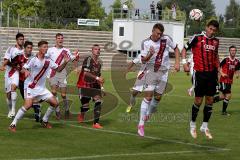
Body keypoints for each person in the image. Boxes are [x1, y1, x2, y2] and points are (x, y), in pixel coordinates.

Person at [8, 40, 70, 132]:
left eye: (47, 47)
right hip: (30, 86)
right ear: (39, 48)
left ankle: (44, 121)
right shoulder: (33, 59)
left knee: (55, 103)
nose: (46, 48)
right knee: (28, 105)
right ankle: (13, 124)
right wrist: (26, 71)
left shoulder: (48, 60)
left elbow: (59, 69)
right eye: (44, 47)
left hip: (41, 88)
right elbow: (24, 68)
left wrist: (65, 62)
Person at [137, 23, 180, 137]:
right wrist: (150, 54)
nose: (159, 36)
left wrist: (177, 62)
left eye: (160, 34)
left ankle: (149, 114)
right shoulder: (145, 43)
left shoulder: (166, 39)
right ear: (152, 31)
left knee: (158, 97)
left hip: (164, 72)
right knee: (148, 96)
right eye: (157, 33)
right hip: (151, 71)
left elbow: (176, 48)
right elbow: (143, 60)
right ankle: (141, 124)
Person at [182, 20, 220, 139]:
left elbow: (216, 56)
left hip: (212, 74)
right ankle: (192, 125)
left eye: (214, 30)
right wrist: (184, 63)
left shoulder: (216, 41)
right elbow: (184, 49)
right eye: (210, 28)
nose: (211, 31)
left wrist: (218, 70)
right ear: (206, 27)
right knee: (198, 100)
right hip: (200, 74)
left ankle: (204, 126)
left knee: (209, 100)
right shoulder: (197, 38)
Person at [46, 33, 79, 120]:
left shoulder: (66, 50)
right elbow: (44, 59)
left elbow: (73, 58)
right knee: (54, 92)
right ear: (56, 39)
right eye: (58, 38)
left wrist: (76, 63)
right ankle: (57, 111)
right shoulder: (50, 50)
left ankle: (67, 109)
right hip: (52, 72)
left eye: (61, 38)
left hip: (62, 73)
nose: (60, 40)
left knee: (63, 95)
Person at [76, 44, 105, 129]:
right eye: (95, 49)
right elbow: (85, 73)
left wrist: (102, 87)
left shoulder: (99, 64)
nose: (97, 51)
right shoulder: (88, 59)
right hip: (84, 85)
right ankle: (82, 113)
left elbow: (98, 77)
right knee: (86, 106)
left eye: (99, 49)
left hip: (94, 85)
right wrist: (97, 78)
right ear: (92, 51)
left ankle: (96, 123)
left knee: (98, 101)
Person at [0, 33, 24, 118]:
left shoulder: (23, 51)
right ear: (17, 40)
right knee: (8, 94)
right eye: (20, 39)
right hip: (8, 73)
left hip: (16, 73)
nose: (22, 41)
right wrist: (3, 65)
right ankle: (10, 110)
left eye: (22, 39)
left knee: (14, 88)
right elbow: (6, 59)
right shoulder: (11, 49)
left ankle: (13, 110)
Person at [214, 45, 240, 115]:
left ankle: (210, 101)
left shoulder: (237, 61)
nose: (233, 52)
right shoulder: (225, 60)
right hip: (224, 80)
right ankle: (224, 112)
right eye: (231, 50)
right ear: (229, 51)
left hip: (230, 81)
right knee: (228, 95)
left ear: (236, 52)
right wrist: (222, 73)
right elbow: (218, 67)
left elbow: (237, 69)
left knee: (222, 96)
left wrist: (237, 74)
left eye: (234, 50)